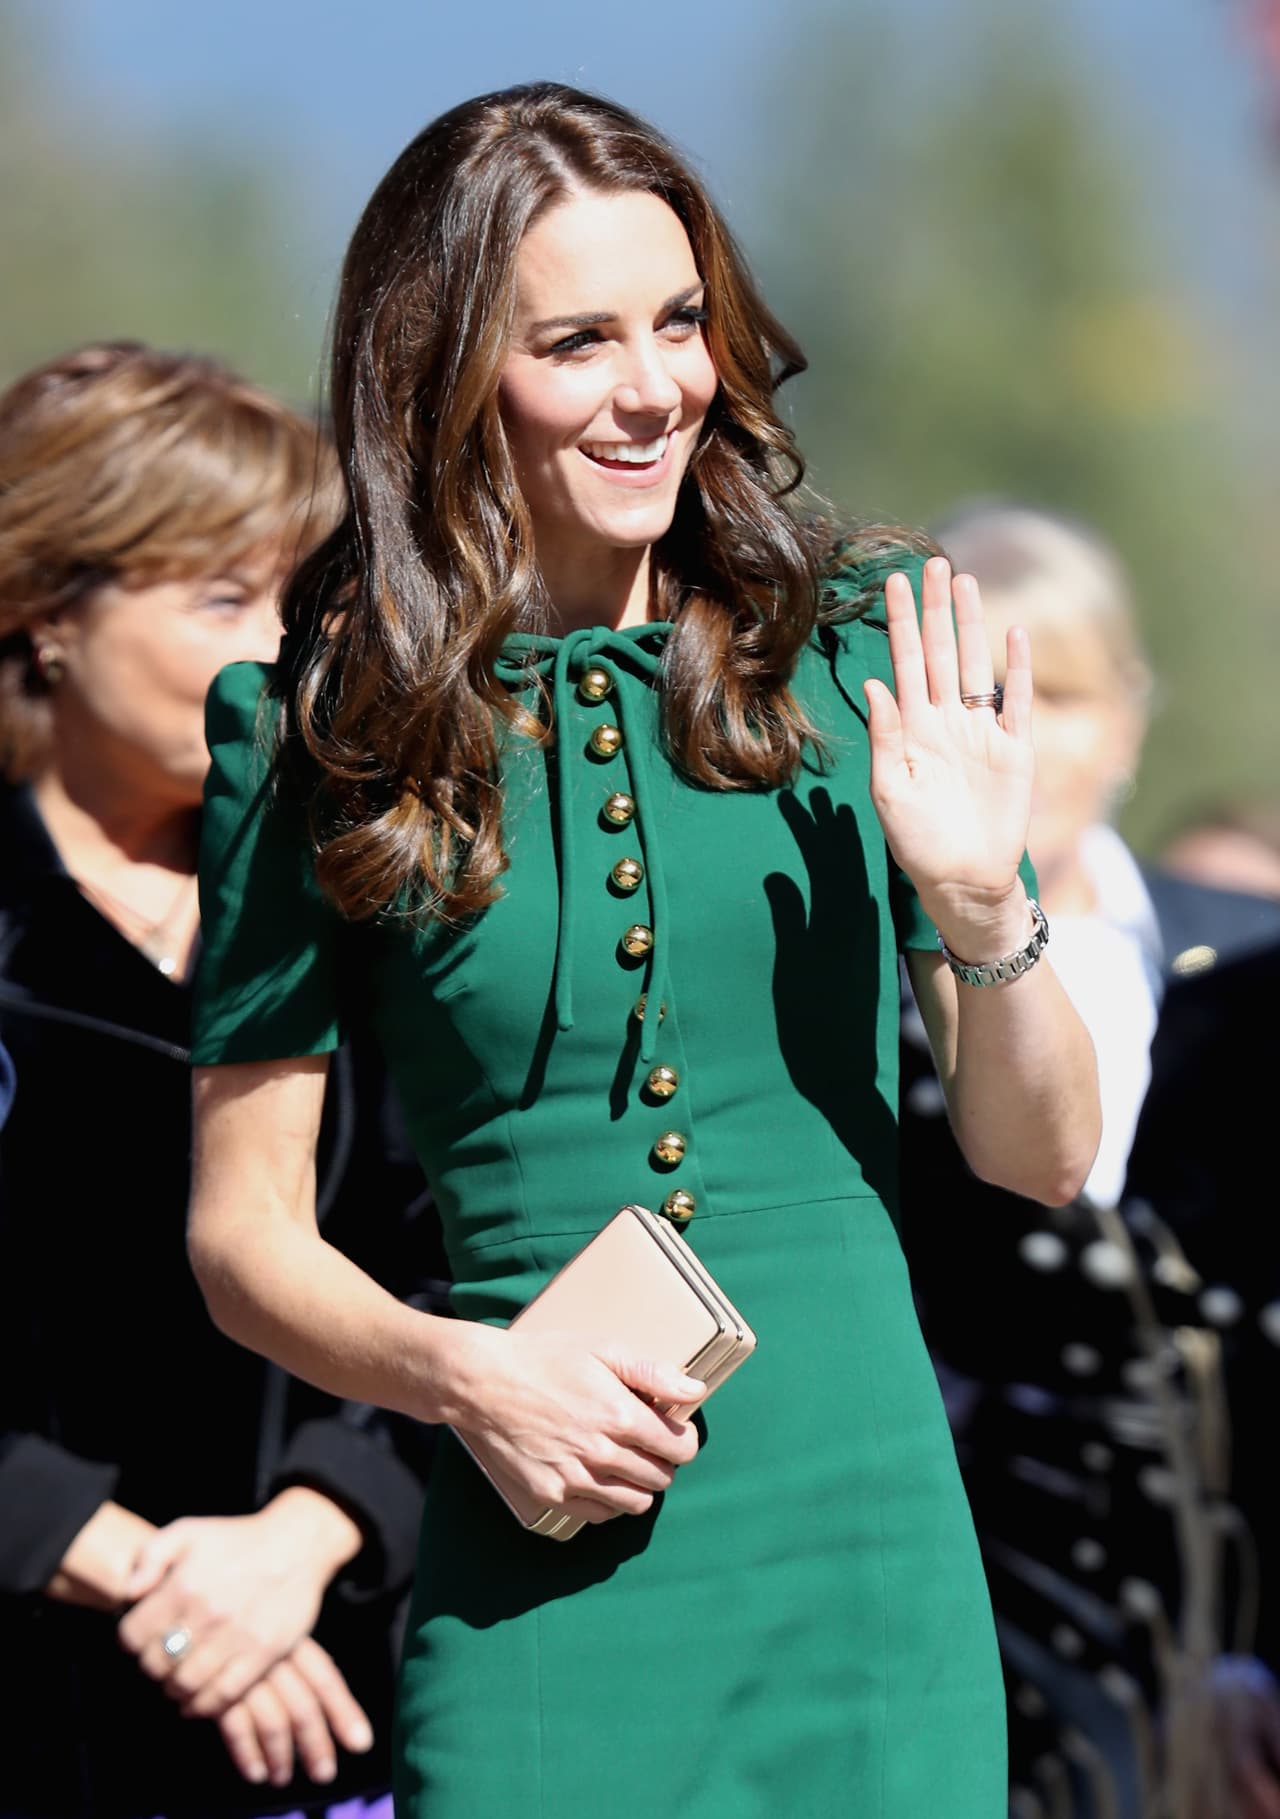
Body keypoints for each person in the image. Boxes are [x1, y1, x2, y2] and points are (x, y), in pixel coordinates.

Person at [185, 84, 1100, 1818]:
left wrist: (987, 911)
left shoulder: (855, 655)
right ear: (443, 375)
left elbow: (1043, 1159)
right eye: (578, 341)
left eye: (680, 323)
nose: (655, 387)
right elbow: (241, 1238)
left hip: (865, 1555)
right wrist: (467, 1375)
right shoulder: (313, 738)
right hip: (544, 1567)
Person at [0, 342, 442, 1819]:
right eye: (219, 600)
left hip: (340, 1704)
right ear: (44, 612)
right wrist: (163, 1583)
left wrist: (304, 1538)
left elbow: (451, 1258)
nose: (277, 651)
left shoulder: (366, 915)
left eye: (300, 605)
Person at [897, 503, 1280, 1816]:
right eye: (980, 692)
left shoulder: (1251, 960)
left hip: (1229, 1631)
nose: (1020, 737)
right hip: (977, 1615)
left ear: (1125, 715)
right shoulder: (867, 988)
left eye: (1055, 695)